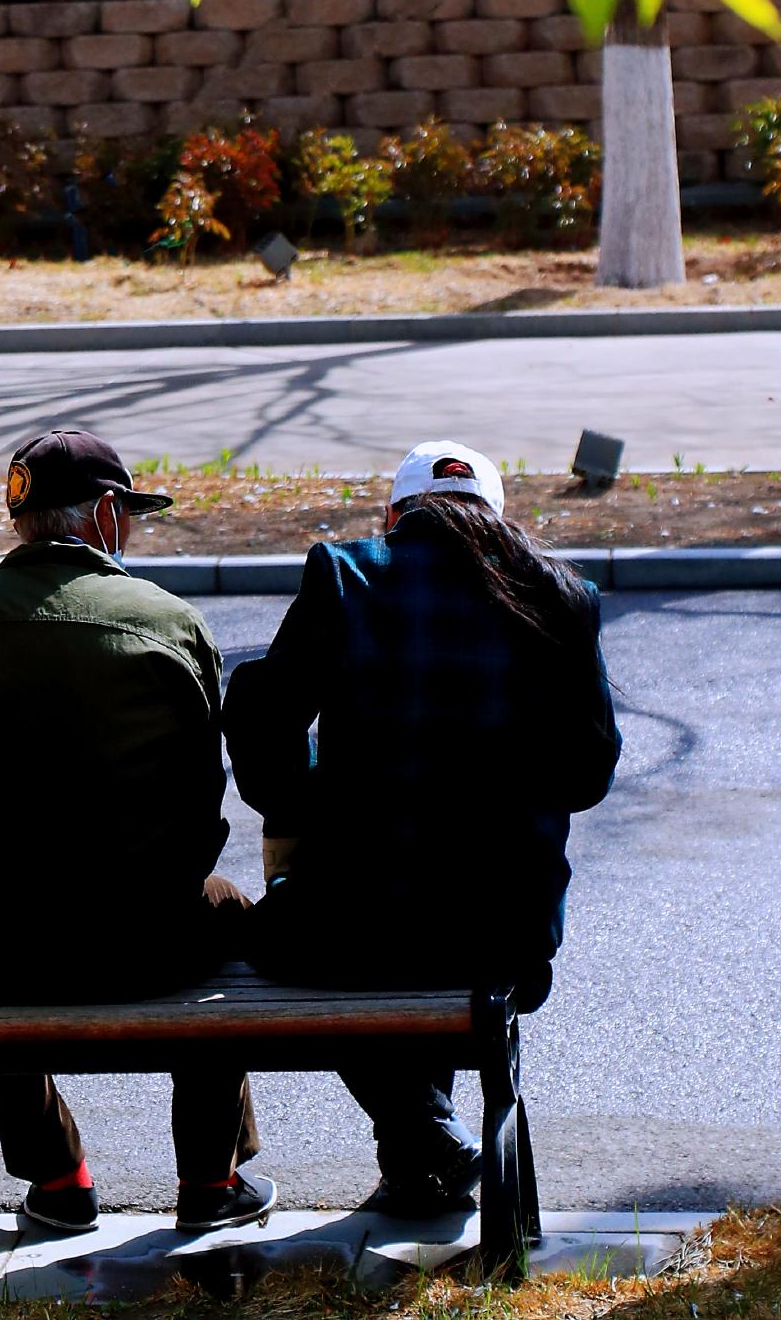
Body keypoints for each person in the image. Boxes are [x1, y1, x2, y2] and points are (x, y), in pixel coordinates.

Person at [225, 439, 621, 1219]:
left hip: (357, 927)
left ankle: (424, 1132)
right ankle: (419, 1159)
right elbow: (588, 775)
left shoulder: (347, 574)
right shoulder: (562, 595)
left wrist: (307, 800)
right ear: (498, 519)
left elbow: (264, 728)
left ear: (393, 515)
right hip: (507, 934)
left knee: (278, 937)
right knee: (426, 927)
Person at [0, 426, 275, 1237]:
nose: (130, 528)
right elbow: (203, 807)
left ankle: (60, 1178)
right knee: (227, 910)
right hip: (143, 944)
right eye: (128, 514)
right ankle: (210, 1178)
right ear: (104, 514)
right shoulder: (169, 620)